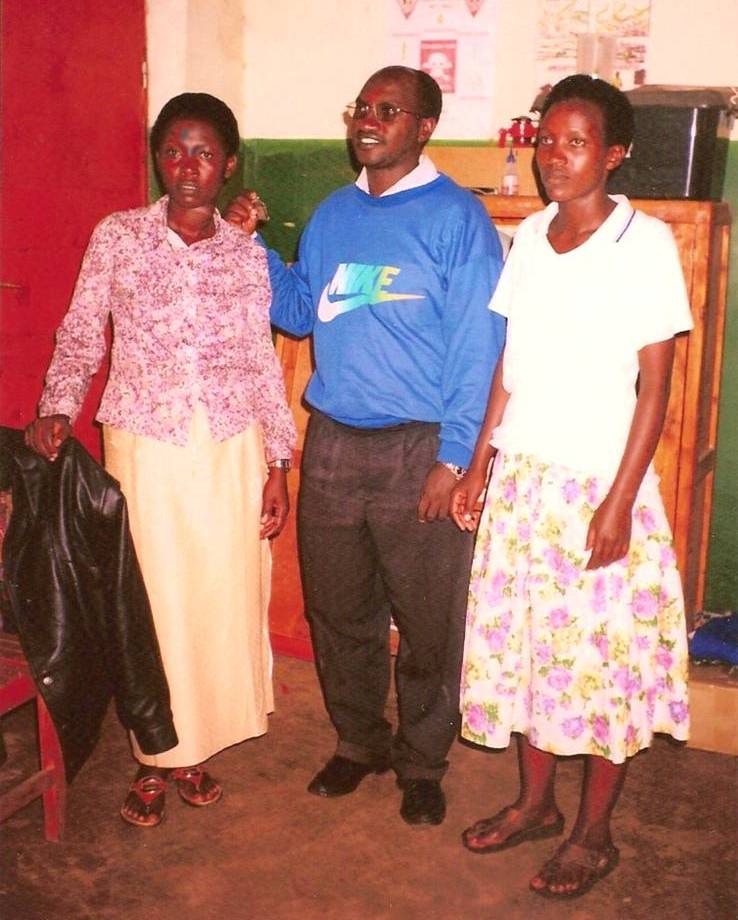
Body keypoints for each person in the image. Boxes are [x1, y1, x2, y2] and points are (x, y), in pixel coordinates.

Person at [227, 66, 505, 826]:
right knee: (339, 610)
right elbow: (299, 313)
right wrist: (255, 249)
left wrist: (455, 459)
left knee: (427, 619)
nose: (370, 120)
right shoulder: (332, 215)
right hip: (334, 443)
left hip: (421, 446)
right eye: (363, 108)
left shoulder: (458, 220)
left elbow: (479, 349)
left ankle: (422, 761)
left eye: (390, 110)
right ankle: (359, 742)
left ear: (424, 127)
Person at [25, 93, 296, 828]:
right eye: (174, 151)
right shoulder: (118, 237)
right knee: (153, 601)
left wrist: (278, 460)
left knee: (218, 597)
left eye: (204, 153)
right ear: (158, 159)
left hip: (230, 445)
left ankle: (196, 751)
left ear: (228, 164)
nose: (187, 167)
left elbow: (260, 359)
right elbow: (83, 330)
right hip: (146, 444)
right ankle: (156, 754)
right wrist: (58, 404)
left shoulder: (245, 255)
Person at [450, 74, 691, 897]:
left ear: (614, 153)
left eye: (576, 142)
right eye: (547, 140)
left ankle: (594, 832)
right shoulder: (528, 235)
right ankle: (535, 805)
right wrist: (480, 462)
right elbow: (509, 365)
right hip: (524, 482)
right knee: (530, 651)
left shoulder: (644, 244)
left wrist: (619, 501)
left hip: (597, 487)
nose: (555, 156)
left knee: (598, 661)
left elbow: (655, 389)